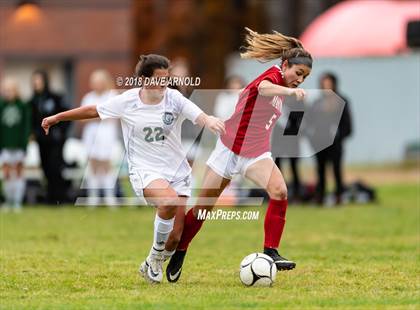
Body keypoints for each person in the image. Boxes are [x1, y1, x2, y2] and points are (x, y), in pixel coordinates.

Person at [40, 54, 225, 284]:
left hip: (177, 172)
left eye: (167, 78)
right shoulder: (127, 101)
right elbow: (92, 111)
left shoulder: (173, 98)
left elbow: (198, 115)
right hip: (145, 170)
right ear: (145, 80)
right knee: (167, 202)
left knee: (175, 238)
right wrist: (57, 117)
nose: (164, 84)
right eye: (159, 79)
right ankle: (156, 258)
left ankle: (151, 260)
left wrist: (210, 121)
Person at [166, 27, 312, 283]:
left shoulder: (285, 86)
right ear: (285, 64)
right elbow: (264, 89)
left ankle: (271, 252)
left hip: (256, 153)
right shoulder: (274, 77)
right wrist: (289, 92)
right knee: (203, 209)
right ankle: (181, 249)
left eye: (305, 77)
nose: (300, 80)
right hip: (229, 149)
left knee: (279, 191)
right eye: (298, 73)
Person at [80, 70, 120, 207]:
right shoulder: (88, 98)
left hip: (107, 134)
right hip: (91, 135)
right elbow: (82, 117)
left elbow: (114, 115)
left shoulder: (112, 95)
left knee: (106, 165)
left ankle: (109, 196)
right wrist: (98, 116)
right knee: (93, 165)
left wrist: (95, 116)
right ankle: (93, 197)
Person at [311, 73, 352, 205]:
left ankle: (339, 196)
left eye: (329, 83)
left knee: (336, 170)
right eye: (324, 83)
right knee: (320, 170)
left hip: (335, 143)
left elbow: (348, 124)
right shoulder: (317, 103)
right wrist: (312, 138)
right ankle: (320, 197)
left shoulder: (342, 101)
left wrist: (340, 136)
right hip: (319, 143)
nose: (326, 86)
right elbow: (309, 123)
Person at [29, 70, 69, 204]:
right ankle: (51, 198)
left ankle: (60, 198)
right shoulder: (33, 102)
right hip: (42, 141)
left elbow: (66, 116)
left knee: (55, 168)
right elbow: (32, 121)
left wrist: (61, 134)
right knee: (45, 168)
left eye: (39, 80)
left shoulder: (55, 98)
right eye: (34, 81)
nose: (36, 84)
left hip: (55, 141)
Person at [0, 78, 31, 212]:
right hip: (5, 145)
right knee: (6, 173)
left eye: (11, 90)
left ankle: (17, 201)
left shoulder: (23, 106)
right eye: (6, 90)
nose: (8, 93)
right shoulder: (1, 105)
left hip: (18, 145)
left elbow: (26, 127)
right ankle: (8, 200)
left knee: (18, 172)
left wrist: (24, 145)